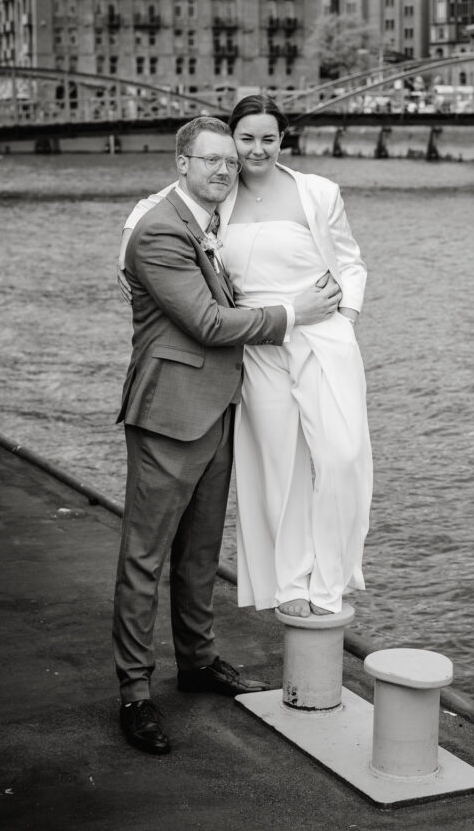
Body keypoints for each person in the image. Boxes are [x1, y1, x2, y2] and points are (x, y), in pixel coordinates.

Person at [113, 115, 340, 757]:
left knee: (200, 552)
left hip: (219, 408)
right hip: (170, 412)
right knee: (145, 557)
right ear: (182, 163)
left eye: (228, 161)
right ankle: (134, 693)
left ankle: (197, 661)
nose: (223, 169)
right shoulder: (161, 230)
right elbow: (210, 323)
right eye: (209, 159)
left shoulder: (208, 221)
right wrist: (296, 313)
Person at [120, 95, 372, 621]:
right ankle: (292, 580)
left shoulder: (318, 192)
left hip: (320, 333)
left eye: (268, 138)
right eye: (246, 139)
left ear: (282, 140)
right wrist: (124, 258)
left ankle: (332, 577)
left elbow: (350, 262)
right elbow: (150, 210)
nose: (257, 150)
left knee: (342, 457)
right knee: (279, 465)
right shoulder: (219, 191)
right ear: (231, 140)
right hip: (255, 342)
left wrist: (344, 319)